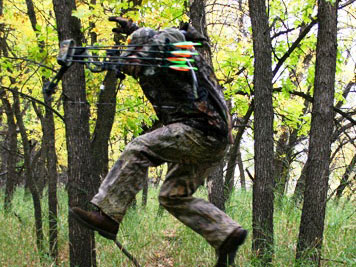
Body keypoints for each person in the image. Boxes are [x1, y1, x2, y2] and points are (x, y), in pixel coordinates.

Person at [70, 17, 247, 267]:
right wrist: (133, 33)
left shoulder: (174, 49)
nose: (134, 65)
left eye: (136, 55)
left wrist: (141, 48)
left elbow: (171, 37)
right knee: (172, 195)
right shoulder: (157, 58)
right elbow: (149, 47)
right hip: (210, 142)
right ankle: (226, 234)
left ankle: (108, 215)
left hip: (201, 131)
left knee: (139, 147)